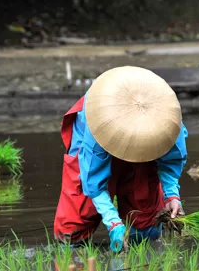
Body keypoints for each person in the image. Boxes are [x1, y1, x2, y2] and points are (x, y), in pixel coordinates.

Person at [53, 66, 188, 251]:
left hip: (145, 128)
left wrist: (172, 195)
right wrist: (113, 223)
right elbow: (93, 183)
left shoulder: (167, 125)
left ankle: (143, 237)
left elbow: (171, 162)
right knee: (77, 217)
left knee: (145, 221)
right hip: (101, 127)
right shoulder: (97, 132)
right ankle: (73, 245)